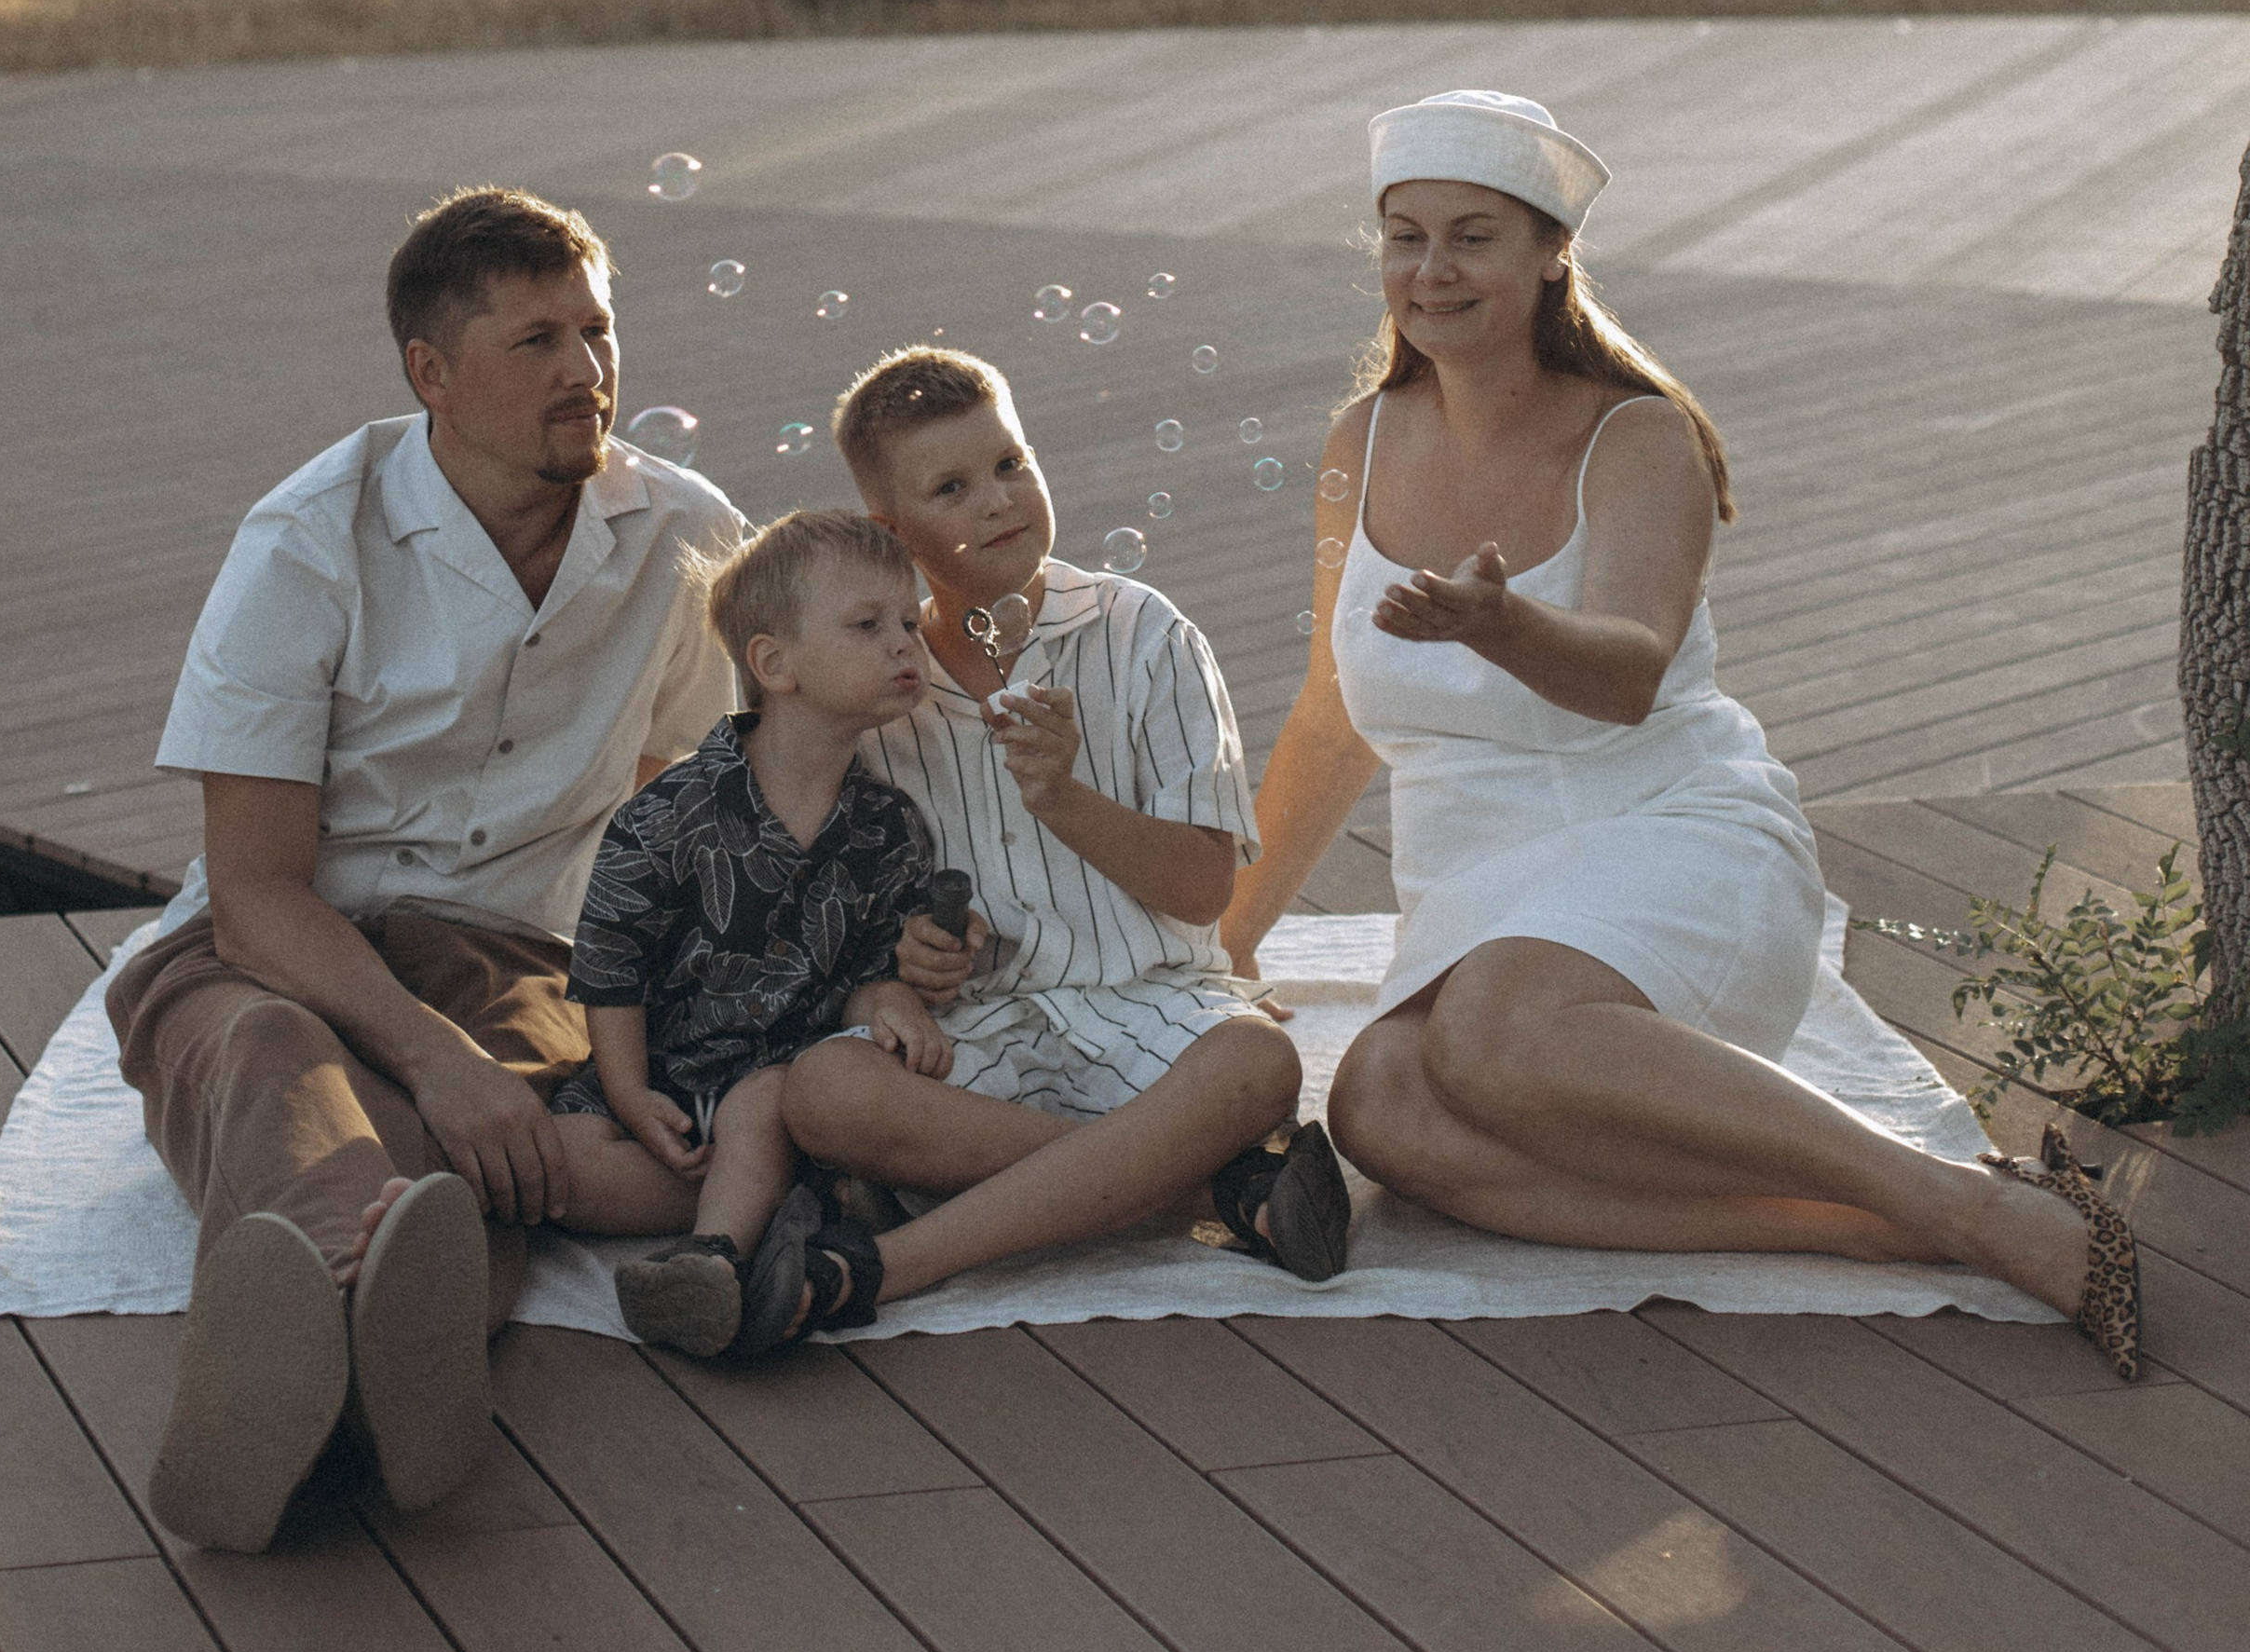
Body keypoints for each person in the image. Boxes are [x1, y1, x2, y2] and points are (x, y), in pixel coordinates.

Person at [1217, 87, 2141, 1377]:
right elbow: (1330, 716)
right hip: (1478, 880)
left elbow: (1631, 674)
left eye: (1473, 236)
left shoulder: (1634, 435)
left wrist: (1504, 626)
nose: (1430, 270)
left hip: (1669, 833)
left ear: (1549, 255)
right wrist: (1227, 945)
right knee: (1379, 1107)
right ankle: (1895, 1230)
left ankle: (1969, 1202)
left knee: (1486, 1037)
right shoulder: (1359, 439)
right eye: (1404, 235)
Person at [107, 184, 740, 1554]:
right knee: (274, 1049)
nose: (587, 372)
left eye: (598, 330)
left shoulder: (684, 535)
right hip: (272, 942)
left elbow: (702, 782)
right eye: (535, 343)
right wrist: (428, 1052)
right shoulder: (304, 542)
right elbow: (258, 888)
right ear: (429, 375)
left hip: (516, 948)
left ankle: (308, 1373)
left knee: (496, 1114)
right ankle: (374, 1354)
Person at [754, 347, 1344, 1353]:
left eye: (1010, 464)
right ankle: (1201, 1184)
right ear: (893, 536)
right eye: (951, 487)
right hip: (983, 1024)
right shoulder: (872, 688)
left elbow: (1204, 891)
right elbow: (838, 904)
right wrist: (902, 964)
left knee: (1256, 1060)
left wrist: (1063, 798)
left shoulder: (1145, 634)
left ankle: (890, 1265)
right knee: (819, 1092)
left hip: (1148, 1003)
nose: (996, 501)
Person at [547, 506, 948, 1356]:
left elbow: (873, 966)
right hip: (663, 1075)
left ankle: (712, 1259)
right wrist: (626, 1093)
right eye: (868, 626)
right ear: (774, 664)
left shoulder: (890, 826)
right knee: (560, 1164)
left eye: (910, 622)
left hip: (783, 1086)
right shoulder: (668, 815)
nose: (905, 644)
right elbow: (609, 969)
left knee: (765, 1104)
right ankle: (788, 1202)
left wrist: (893, 1001)